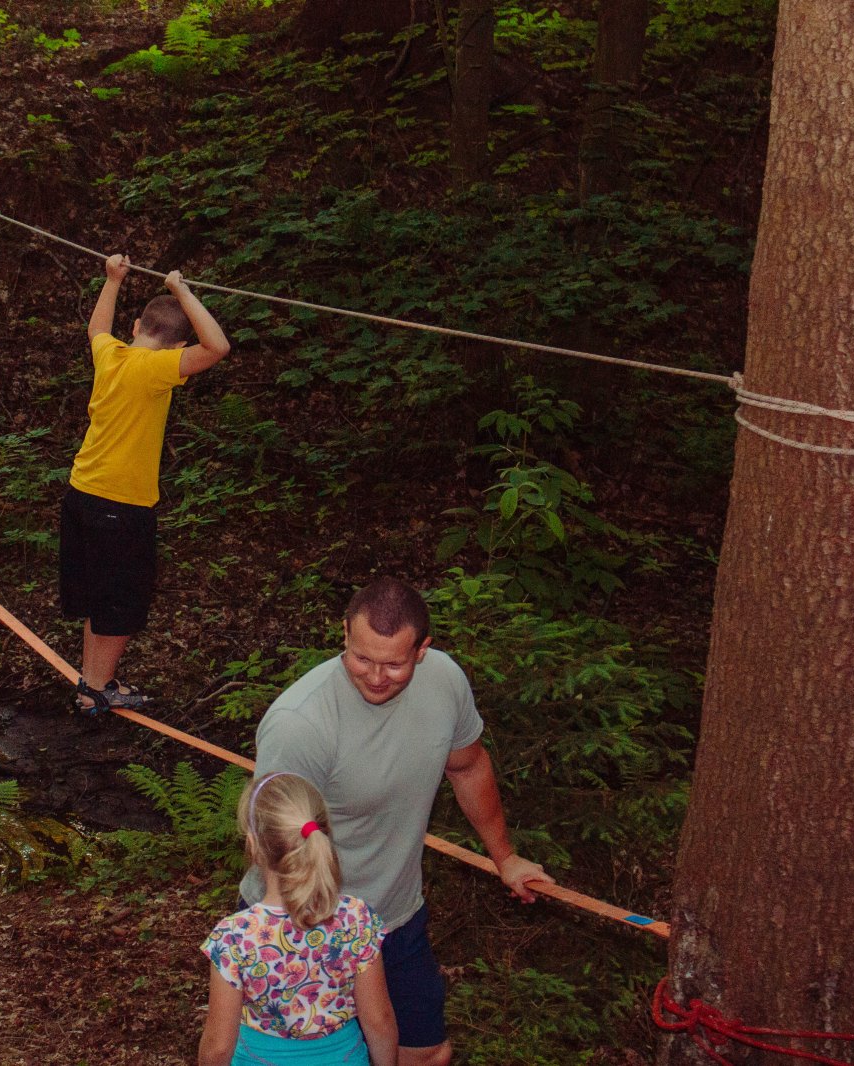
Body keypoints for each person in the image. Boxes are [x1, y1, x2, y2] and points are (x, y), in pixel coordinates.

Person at [240, 577, 553, 1066]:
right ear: (345, 633)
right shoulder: (300, 723)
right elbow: (272, 840)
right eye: (362, 658)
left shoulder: (444, 681)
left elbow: (469, 766)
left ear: (422, 650)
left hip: (396, 918)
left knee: (427, 1054)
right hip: (301, 923)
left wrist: (506, 857)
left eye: (393, 664)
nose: (376, 677)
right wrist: (321, 936)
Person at [62, 254, 231, 711]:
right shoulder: (158, 369)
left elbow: (97, 329)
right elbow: (217, 347)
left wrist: (112, 280)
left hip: (81, 494)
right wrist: (182, 290)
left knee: (100, 596)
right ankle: (99, 689)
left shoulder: (111, 355)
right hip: (119, 505)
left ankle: (92, 683)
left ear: (136, 326)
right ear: (179, 347)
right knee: (119, 600)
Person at [200, 772, 398, 1066]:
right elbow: (379, 1021)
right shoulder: (357, 920)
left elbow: (218, 1048)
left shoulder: (234, 938)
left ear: (254, 846)